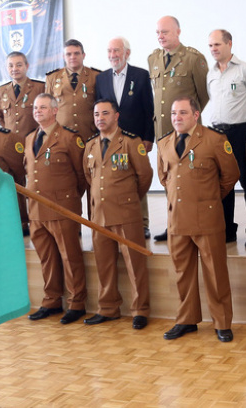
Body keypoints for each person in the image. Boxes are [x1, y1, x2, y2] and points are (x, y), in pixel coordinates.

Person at [156, 96, 239, 343]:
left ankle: (222, 323)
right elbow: (165, 178)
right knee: (183, 273)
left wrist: (208, 198)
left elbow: (230, 175)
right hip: (177, 220)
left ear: (196, 115)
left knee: (215, 273)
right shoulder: (164, 144)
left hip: (207, 218)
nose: (177, 118)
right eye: (173, 114)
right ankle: (186, 320)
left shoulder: (214, 140)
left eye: (182, 113)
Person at [83, 99, 153, 330]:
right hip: (99, 215)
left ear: (116, 116)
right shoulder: (91, 145)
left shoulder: (131, 143)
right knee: (104, 265)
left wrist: (128, 198)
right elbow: (89, 176)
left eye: (105, 113)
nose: (100, 118)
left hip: (126, 212)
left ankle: (140, 310)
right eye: (96, 114)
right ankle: (108, 308)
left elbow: (144, 176)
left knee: (135, 265)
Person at [24, 93, 88, 325]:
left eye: (42, 107)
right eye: (35, 107)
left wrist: (69, 199)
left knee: (70, 257)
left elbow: (82, 176)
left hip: (62, 208)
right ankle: (51, 300)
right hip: (36, 210)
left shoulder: (70, 138)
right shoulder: (31, 137)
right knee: (47, 258)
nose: (37, 111)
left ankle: (76, 303)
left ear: (54, 110)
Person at [205, 29, 246, 248]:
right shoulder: (210, 73)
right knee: (223, 183)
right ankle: (227, 230)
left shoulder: (245, 70)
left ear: (229, 44)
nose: (213, 49)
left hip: (242, 132)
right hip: (218, 134)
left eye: (217, 45)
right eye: (210, 46)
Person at [95, 37, 154, 238]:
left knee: (137, 178)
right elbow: (99, 110)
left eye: (117, 51)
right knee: (115, 179)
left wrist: (148, 138)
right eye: (110, 51)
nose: (113, 55)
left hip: (134, 140)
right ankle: (113, 220)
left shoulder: (140, 75)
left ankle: (142, 222)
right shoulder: (101, 78)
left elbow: (149, 109)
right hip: (110, 141)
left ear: (127, 53)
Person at [148, 15, 209, 139]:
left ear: (178, 32)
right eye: (158, 33)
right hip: (162, 131)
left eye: (164, 32)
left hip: (187, 131)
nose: (160, 36)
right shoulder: (153, 59)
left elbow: (205, 94)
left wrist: (186, 115)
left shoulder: (193, 58)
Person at [44, 39, 101, 137]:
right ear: (63, 57)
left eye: (76, 53)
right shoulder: (52, 78)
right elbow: (47, 108)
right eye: (68, 54)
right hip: (61, 136)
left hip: (88, 134)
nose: (73, 57)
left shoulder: (96, 76)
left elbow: (102, 106)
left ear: (83, 55)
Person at [0, 51, 46, 138]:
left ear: (27, 66)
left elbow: (47, 116)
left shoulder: (40, 88)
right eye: (10, 66)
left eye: (19, 65)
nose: (14, 69)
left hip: (34, 141)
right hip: (10, 142)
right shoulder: (2, 90)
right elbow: (0, 117)